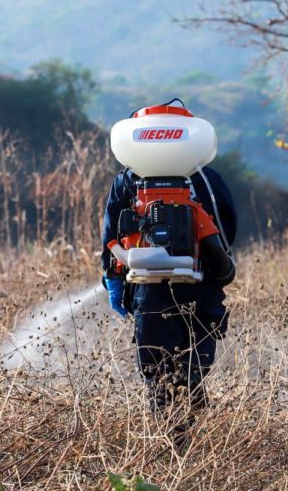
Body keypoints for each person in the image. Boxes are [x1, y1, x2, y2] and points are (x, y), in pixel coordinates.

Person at [101, 166, 237, 414]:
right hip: (201, 284)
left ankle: (169, 438)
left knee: (157, 376)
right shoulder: (203, 176)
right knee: (193, 368)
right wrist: (220, 266)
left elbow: (112, 233)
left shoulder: (127, 179)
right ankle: (191, 432)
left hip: (147, 289)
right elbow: (226, 231)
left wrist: (113, 278)